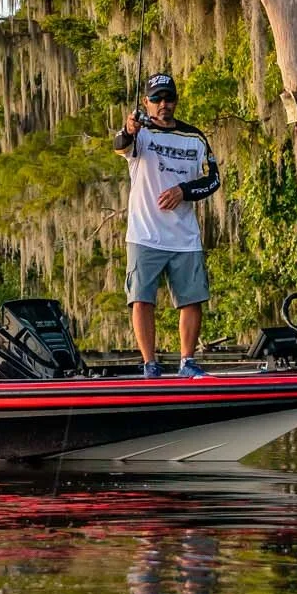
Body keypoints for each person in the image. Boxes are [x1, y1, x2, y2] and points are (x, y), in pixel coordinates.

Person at [114, 72, 221, 378]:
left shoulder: (195, 137)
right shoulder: (140, 134)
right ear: (146, 102)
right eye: (157, 99)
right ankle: (150, 364)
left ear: (176, 101)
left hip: (184, 237)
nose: (164, 104)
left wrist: (183, 191)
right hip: (144, 235)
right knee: (141, 299)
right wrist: (129, 128)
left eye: (169, 98)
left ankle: (188, 362)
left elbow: (213, 179)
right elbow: (120, 144)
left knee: (192, 299)